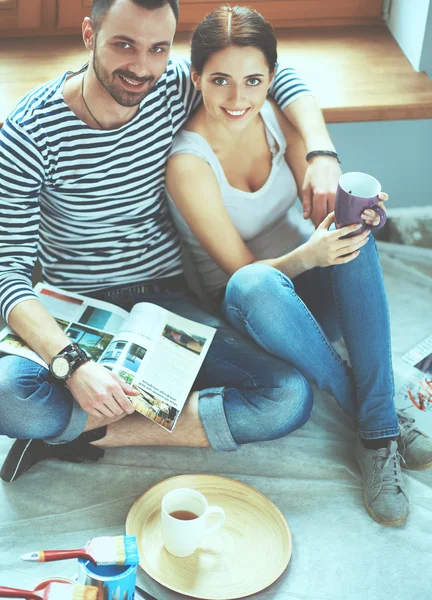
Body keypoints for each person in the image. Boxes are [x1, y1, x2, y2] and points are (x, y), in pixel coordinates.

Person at [0, 0, 341, 482]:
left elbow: (279, 77)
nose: (141, 68)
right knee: (8, 396)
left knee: (286, 397)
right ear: (88, 34)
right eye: (124, 45)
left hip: (167, 298)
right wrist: (71, 365)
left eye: (158, 48)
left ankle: (85, 432)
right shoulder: (27, 133)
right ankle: (80, 410)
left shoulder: (174, 84)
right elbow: (8, 273)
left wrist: (323, 152)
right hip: (75, 306)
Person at [165, 5, 432, 526]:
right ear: (196, 77)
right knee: (257, 282)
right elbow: (242, 273)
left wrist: (355, 213)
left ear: (269, 79)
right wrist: (311, 254)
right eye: (219, 80)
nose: (237, 98)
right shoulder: (187, 163)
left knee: (355, 235)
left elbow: (320, 212)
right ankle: (375, 419)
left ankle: (375, 429)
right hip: (251, 312)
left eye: (252, 80)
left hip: (307, 288)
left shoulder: (273, 115)